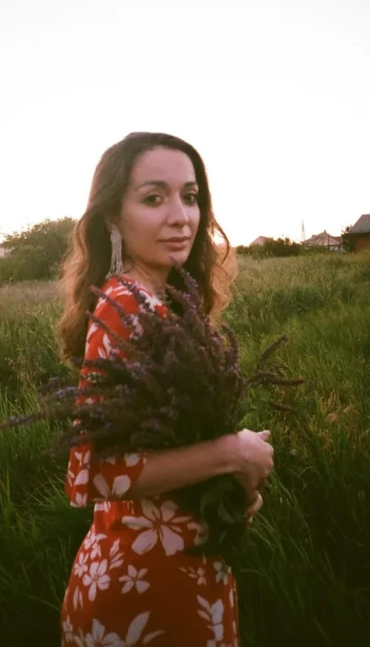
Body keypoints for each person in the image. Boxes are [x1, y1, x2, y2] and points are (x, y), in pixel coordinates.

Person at [57, 132, 274, 647]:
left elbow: (162, 447)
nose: (181, 216)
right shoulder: (125, 306)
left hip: (178, 573)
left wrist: (228, 487)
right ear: (113, 217)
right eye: (154, 198)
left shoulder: (158, 304)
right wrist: (231, 453)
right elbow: (95, 473)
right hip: (145, 590)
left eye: (191, 196)